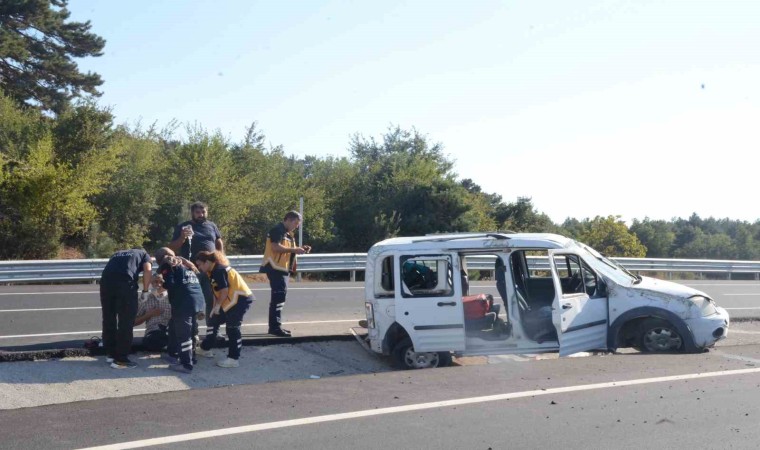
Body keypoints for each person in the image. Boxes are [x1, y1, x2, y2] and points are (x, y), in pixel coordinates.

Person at [195, 250, 254, 368]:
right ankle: (205, 348)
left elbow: (224, 291)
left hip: (240, 300)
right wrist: (214, 307)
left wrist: (218, 306)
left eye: (200, 264)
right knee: (213, 321)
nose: (199, 268)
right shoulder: (211, 271)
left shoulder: (219, 270)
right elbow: (215, 290)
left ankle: (233, 358)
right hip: (229, 301)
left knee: (232, 328)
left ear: (207, 262)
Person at [169, 201, 223, 325]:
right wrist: (182, 237)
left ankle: (212, 330)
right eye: (198, 212)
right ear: (192, 213)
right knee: (191, 300)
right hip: (190, 269)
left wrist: (221, 258)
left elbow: (219, 242)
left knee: (212, 299)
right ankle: (193, 332)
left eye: (203, 212)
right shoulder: (184, 227)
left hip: (210, 269)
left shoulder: (212, 226)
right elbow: (172, 248)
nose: (201, 214)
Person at [259, 211, 310, 337]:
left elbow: (286, 249)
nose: (297, 226)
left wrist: (300, 248)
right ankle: (275, 327)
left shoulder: (287, 233)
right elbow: (275, 247)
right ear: (288, 220)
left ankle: (275, 326)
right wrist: (294, 249)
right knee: (278, 297)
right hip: (275, 268)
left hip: (282, 269)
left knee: (280, 298)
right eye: (296, 223)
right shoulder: (278, 230)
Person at [155, 247, 205, 374]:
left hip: (183, 302)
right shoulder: (186, 263)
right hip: (197, 299)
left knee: (184, 334)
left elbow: (169, 284)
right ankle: (174, 354)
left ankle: (186, 364)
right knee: (175, 327)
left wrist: (161, 285)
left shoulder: (168, 264)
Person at [100, 248, 152, 369]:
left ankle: (111, 354)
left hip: (106, 283)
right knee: (126, 321)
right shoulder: (144, 254)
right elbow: (147, 270)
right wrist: (145, 290)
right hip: (125, 284)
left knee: (109, 318)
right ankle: (121, 359)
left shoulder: (117, 253)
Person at [134, 274, 171, 352]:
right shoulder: (145, 299)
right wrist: (149, 314)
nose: (158, 284)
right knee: (152, 340)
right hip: (153, 331)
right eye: (155, 282)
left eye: (161, 282)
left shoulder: (172, 297)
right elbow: (133, 322)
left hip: (170, 330)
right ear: (151, 283)